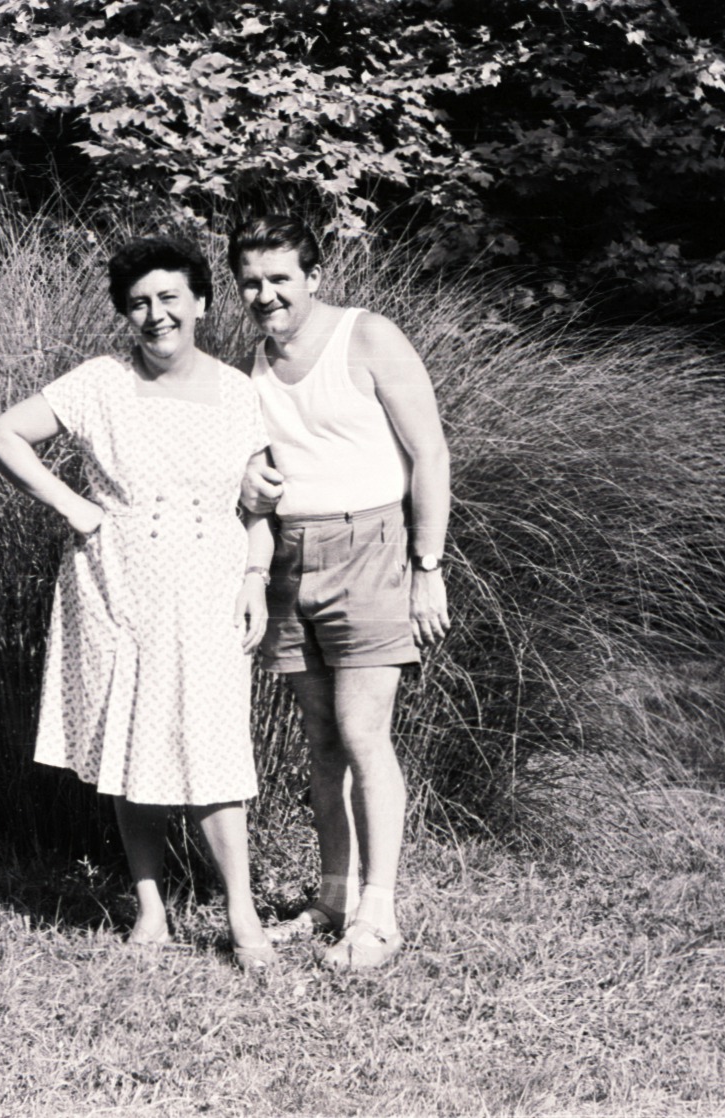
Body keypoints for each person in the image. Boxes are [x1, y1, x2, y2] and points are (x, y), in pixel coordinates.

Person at [0, 236, 277, 971]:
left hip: (210, 582)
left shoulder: (241, 392)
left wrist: (255, 577)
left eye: (170, 297)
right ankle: (151, 907)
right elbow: (2, 434)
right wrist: (74, 507)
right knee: (130, 738)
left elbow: (259, 503)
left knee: (211, 745)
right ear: (125, 313)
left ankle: (241, 913)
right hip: (116, 582)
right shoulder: (100, 382)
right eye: (139, 302)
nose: (156, 314)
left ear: (202, 303)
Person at [229, 215, 452, 970]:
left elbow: (429, 454)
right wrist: (246, 490)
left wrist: (428, 567)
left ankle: (378, 916)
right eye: (252, 282)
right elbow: (255, 476)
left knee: (364, 733)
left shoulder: (368, 336)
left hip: (374, 546)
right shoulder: (252, 365)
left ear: (313, 276)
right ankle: (333, 898)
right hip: (292, 556)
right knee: (322, 743)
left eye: (280, 279)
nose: (266, 295)